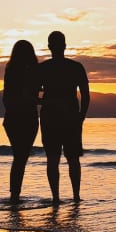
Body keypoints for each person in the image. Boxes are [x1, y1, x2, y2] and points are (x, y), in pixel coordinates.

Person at [39, 30, 90, 203]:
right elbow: (86, 95)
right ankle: (75, 197)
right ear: (65, 46)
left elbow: (33, 93)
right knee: (73, 159)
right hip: (70, 118)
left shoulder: (43, 68)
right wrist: (81, 117)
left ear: (49, 47)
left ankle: (56, 198)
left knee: (53, 159)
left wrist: (47, 101)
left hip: (51, 118)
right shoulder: (75, 67)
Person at [1, 40, 40, 204]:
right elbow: (28, 96)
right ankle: (15, 195)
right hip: (27, 118)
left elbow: (7, 98)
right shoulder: (31, 72)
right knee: (20, 158)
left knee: (19, 157)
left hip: (11, 118)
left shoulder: (10, 70)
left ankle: (14, 194)